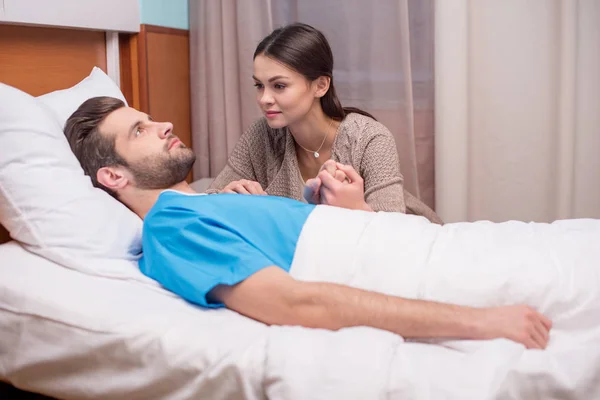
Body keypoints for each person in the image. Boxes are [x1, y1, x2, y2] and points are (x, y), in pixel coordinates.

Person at [60, 96, 570, 350]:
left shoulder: (212, 200)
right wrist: (482, 322)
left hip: (428, 244)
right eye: (141, 130)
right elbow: (297, 301)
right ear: (111, 175)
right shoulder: (171, 226)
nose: (164, 124)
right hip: (425, 274)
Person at [205, 22, 443, 224]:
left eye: (279, 86)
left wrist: (356, 208)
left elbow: (394, 230)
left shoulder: (369, 138)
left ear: (320, 85)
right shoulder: (261, 136)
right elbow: (208, 201)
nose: (264, 99)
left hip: (414, 245)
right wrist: (227, 198)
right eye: (259, 85)